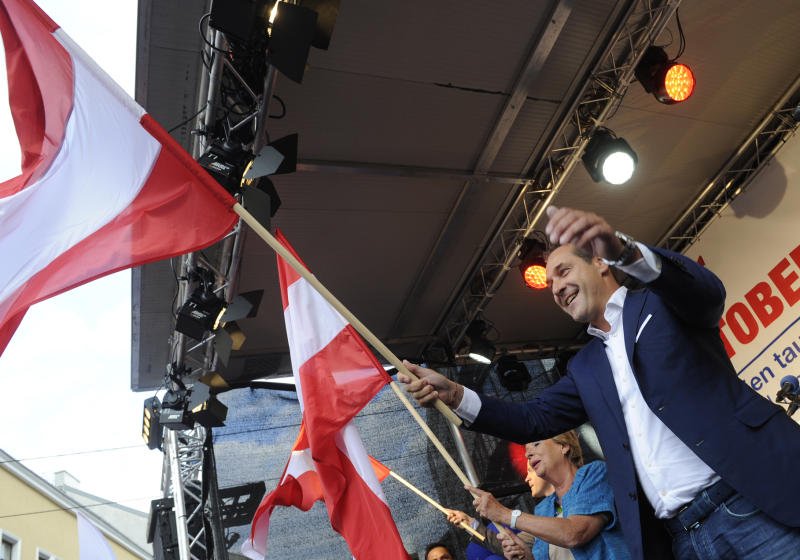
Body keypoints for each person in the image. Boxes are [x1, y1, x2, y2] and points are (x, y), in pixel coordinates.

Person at [399, 206, 800, 560]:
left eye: (563, 272)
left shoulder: (659, 303)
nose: (556, 288)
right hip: (684, 539)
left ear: (600, 263)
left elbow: (705, 292)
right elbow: (531, 419)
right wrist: (456, 394)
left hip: (750, 504)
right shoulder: (586, 366)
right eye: (550, 284)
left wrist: (625, 251)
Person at [468, 430, 629, 560]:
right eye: (527, 451)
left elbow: (574, 534)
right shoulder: (543, 509)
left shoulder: (594, 474)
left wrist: (505, 514)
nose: (528, 454)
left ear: (564, 446)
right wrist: (525, 556)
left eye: (536, 444)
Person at [445, 443, 555, 558]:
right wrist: (469, 523)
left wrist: (501, 512)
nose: (526, 478)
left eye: (531, 469)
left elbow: (566, 533)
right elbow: (511, 547)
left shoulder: (561, 505)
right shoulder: (542, 511)